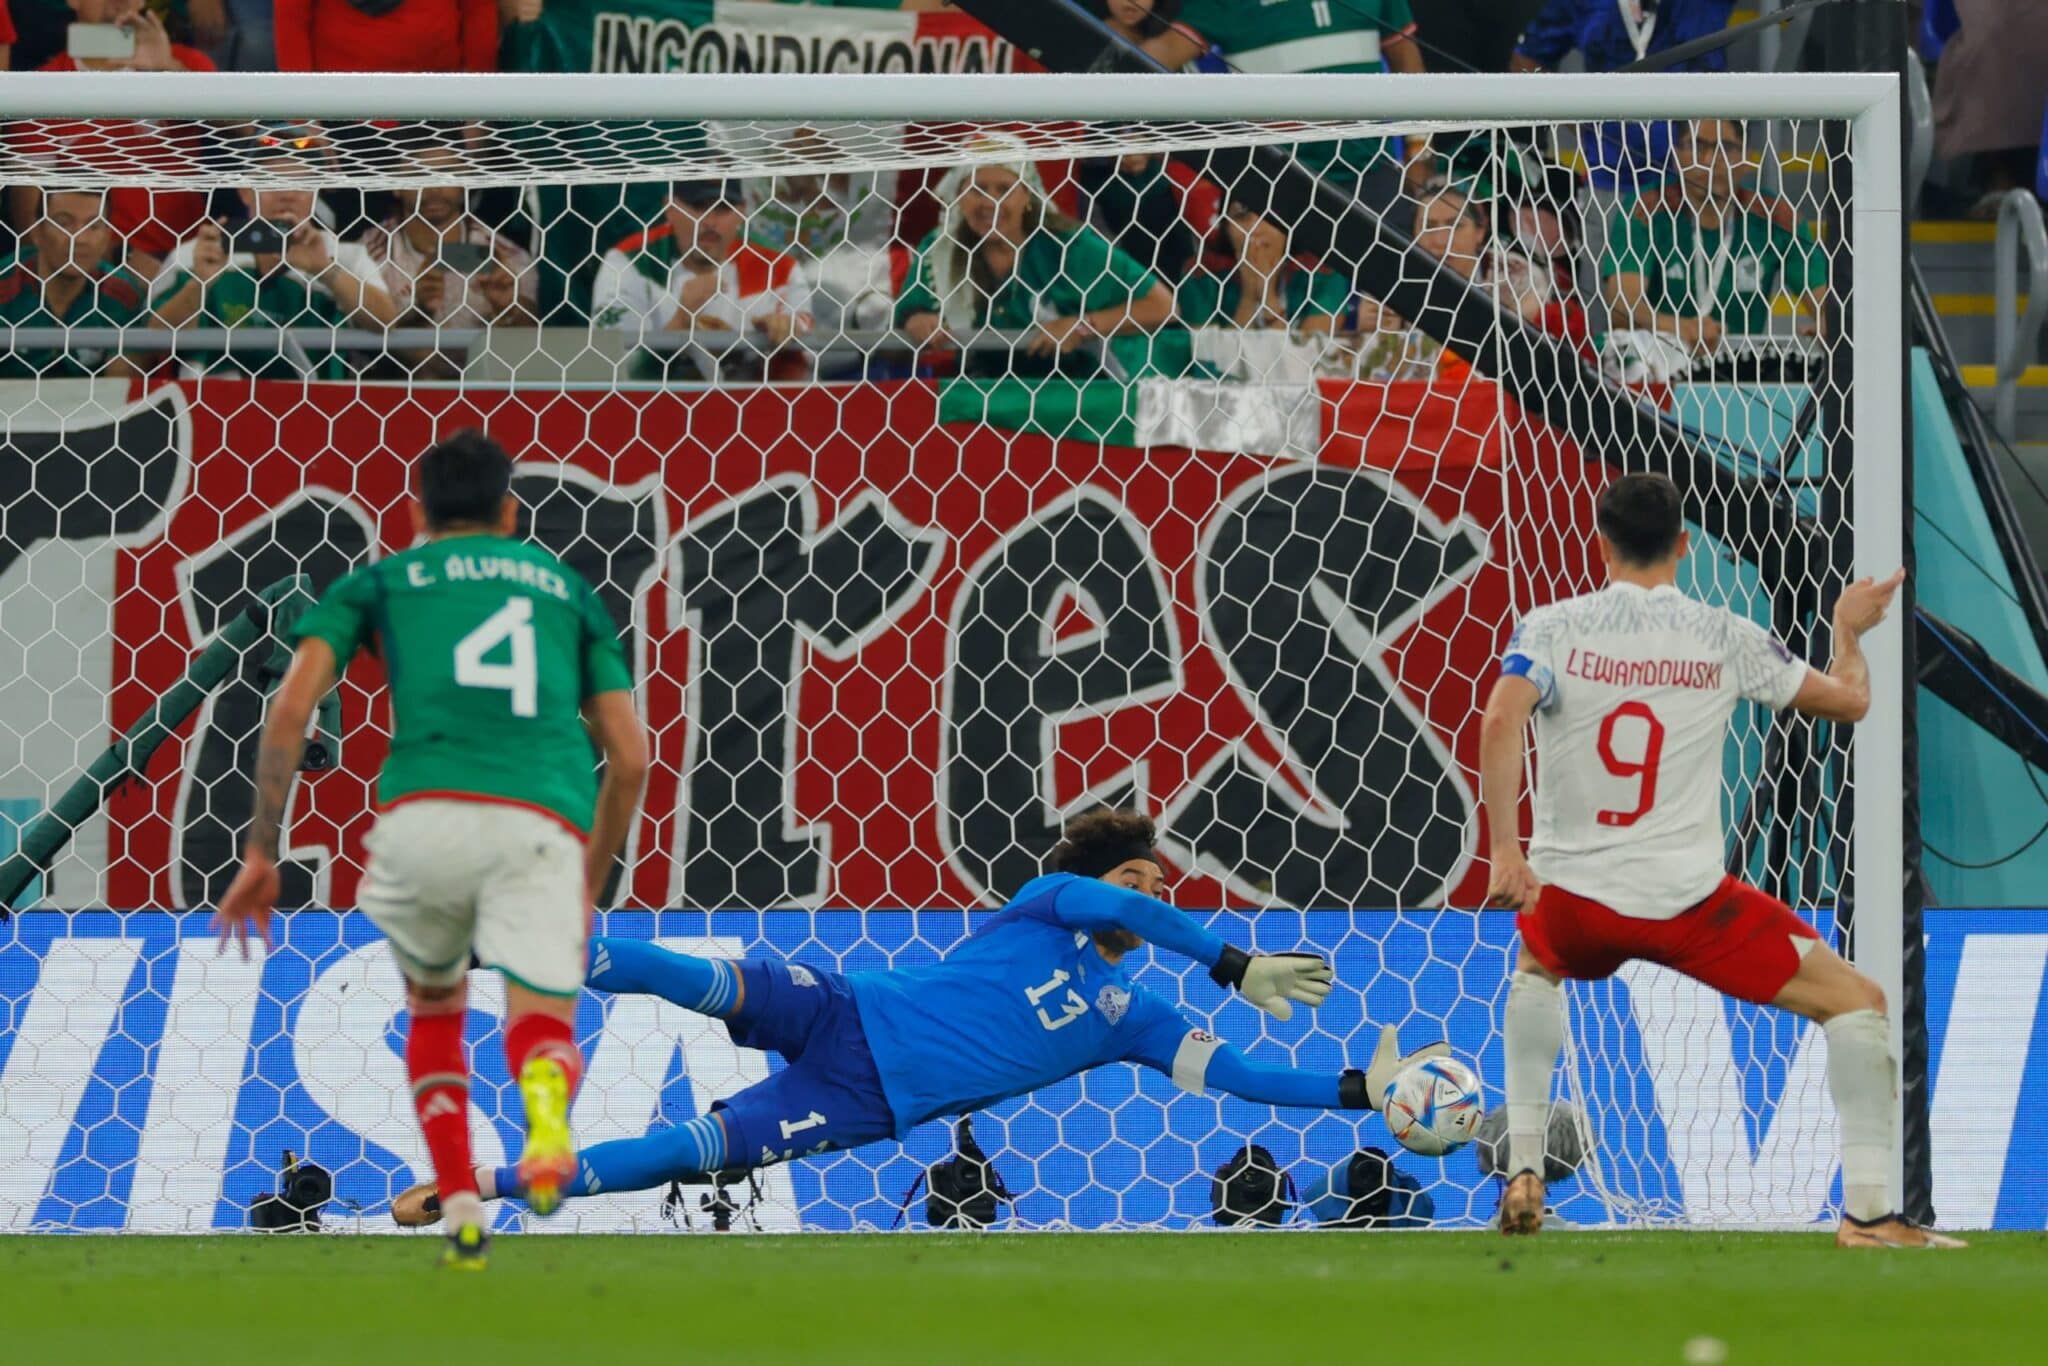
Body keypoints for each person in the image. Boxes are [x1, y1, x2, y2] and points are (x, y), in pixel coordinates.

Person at [388, 808, 1447, 1226]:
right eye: (1138, 879)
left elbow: (1241, 1078)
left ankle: (469, 1184)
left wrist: (1361, 1091)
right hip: (848, 1007)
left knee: (693, 1151)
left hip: (862, 1099)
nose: (1149, 898)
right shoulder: (1050, 906)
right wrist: (1229, 957)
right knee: (692, 974)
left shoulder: (1132, 1015)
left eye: (1159, 889)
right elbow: (1114, 900)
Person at [1478, 472, 1963, 1250]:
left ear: (1599, 541)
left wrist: (1507, 848)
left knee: (1536, 968)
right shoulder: (1724, 634)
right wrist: (1847, 631)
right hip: (1686, 904)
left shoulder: (1550, 626)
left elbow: (1501, 715)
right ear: (1684, 544)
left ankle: (1524, 1166)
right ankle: (1871, 1216)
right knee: (1860, 1001)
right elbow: (1849, 702)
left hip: (1572, 903)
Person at [214, 431, 651, 1269]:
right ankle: (545, 1114)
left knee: (436, 1012)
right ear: (511, 513)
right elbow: (631, 756)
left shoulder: (381, 581)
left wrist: (262, 849)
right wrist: (586, 886)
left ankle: (457, 1205)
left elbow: (290, 707)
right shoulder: (564, 591)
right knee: (539, 1012)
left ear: (415, 512)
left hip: (425, 822)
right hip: (542, 822)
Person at [896, 143, 1175, 380]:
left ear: (1027, 197)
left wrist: (1082, 325)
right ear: (959, 197)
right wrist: (915, 321)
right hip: (982, 395)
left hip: (1073, 392)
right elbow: (898, 330)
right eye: (977, 189)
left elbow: (1163, 306)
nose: (989, 202)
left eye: (1004, 189)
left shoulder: (1069, 246)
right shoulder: (940, 250)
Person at [1149, 0, 1430, 210]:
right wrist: (1107, 72)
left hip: (1371, 172)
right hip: (1279, 181)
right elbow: (1165, 52)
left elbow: (1406, 59)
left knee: (1394, 283)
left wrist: (1420, 150)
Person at [148, 155, 400, 378]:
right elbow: (150, 343)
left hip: (315, 411)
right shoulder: (200, 253)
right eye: (272, 181)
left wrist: (325, 270)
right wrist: (199, 284)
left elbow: (387, 325)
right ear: (245, 190)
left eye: (301, 184)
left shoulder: (344, 256)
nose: (287, 194)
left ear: (316, 193)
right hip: (212, 409)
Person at [1602, 118, 1828, 362]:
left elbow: (1825, 300)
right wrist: (1680, 327)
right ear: (1677, 156)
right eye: (1696, 146)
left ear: (1746, 158)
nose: (1709, 161)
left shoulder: (1775, 217)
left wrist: (1829, 322)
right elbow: (1622, 306)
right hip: (1659, 367)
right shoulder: (1645, 209)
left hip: (1740, 372)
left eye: (1726, 148)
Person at [590, 178, 802, 383]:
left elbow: (803, 372)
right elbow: (614, 371)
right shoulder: (629, 263)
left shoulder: (779, 266)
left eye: (722, 208)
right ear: (670, 207)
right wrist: (681, 321)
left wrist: (777, 341)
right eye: (698, 206)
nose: (710, 222)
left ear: (742, 211)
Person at [361, 145, 538, 378]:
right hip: (391, 397)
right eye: (419, 174)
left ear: (466, 180)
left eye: (447, 173)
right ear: (395, 183)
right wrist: (418, 312)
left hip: (483, 397)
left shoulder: (505, 256)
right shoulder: (368, 254)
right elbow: (365, 347)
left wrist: (507, 308)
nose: (434, 189)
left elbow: (531, 349)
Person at [0, 188, 144, 380]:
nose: (80, 238)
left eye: (93, 226)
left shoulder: (122, 295)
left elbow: (119, 390)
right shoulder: (5, 285)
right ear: (37, 232)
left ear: (108, 236)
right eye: (63, 223)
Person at [274, 0, 496, 73]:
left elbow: (479, 12)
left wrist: (477, 109)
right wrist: (306, 117)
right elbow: (291, 20)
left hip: (439, 106)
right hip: (341, 111)